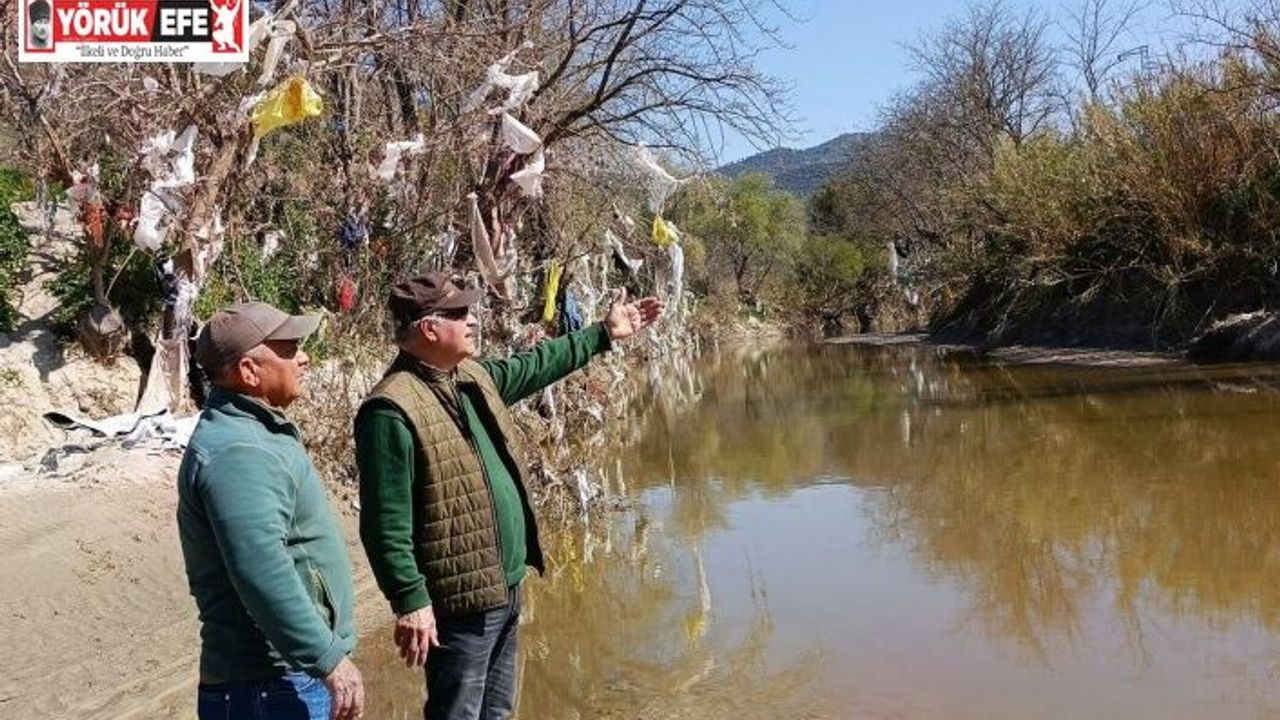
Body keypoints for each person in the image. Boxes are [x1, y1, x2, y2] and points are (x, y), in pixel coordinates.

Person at [355, 272, 662, 720]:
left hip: (505, 583)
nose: (474, 320)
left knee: (496, 712)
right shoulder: (390, 410)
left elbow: (535, 365)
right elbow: (385, 523)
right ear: (428, 328)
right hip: (460, 603)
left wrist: (602, 334)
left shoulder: (471, 376)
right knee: (457, 712)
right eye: (461, 313)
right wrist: (410, 600)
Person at [178, 302, 365, 720]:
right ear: (249, 371)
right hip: (268, 687)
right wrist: (328, 659)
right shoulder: (238, 453)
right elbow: (261, 568)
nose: (304, 357)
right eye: (290, 347)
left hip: (277, 683)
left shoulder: (254, 433)